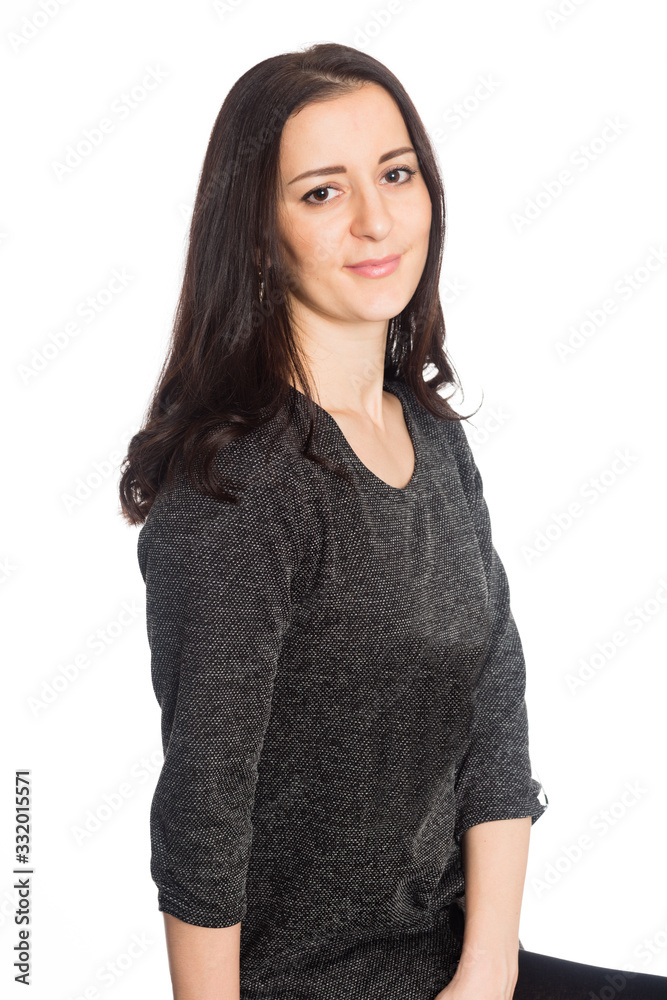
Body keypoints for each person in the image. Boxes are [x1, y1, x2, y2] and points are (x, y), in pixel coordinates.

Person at [118, 42, 667, 1000]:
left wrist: (487, 970)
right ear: (258, 234)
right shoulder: (238, 485)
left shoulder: (431, 435)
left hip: (451, 966)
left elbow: (493, 710)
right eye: (322, 192)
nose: (375, 220)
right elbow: (205, 807)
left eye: (396, 174)